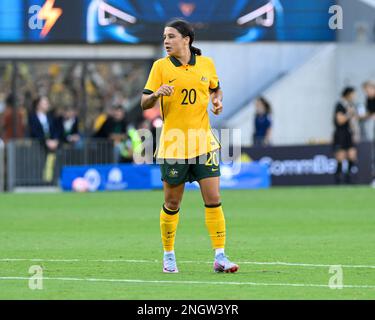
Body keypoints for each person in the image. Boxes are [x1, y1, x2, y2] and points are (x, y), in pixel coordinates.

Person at [141, 19, 238, 273]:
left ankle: (220, 256)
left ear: (187, 39)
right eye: (164, 37)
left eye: (171, 36)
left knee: (214, 198)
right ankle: (169, 254)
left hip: (204, 144)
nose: (166, 41)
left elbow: (216, 90)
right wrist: (155, 94)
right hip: (173, 147)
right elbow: (144, 103)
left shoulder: (206, 64)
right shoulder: (160, 67)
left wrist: (217, 102)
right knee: (172, 203)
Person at [333, 87, 358, 184]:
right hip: (340, 134)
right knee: (340, 156)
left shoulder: (350, 105)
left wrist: (354, 132)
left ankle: (349, 179)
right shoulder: (339, 105)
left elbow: (352, 121)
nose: (354, 96)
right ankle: (338, 180)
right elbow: (340, 120)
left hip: (349, 134)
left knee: (352, 155)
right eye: (353, 94)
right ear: (348, 94)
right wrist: (349, 114)